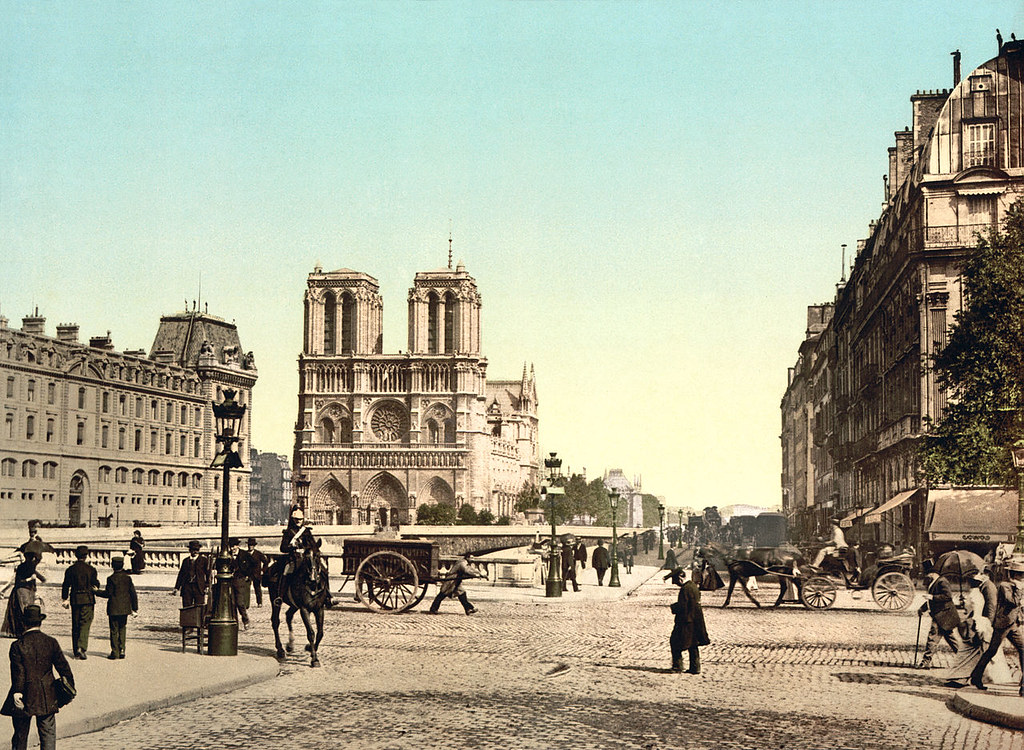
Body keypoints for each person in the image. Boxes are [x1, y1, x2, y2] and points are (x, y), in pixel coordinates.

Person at [0, 604, 73, 750]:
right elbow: (64, 668)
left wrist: (17, 692)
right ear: (40, 622)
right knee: (48, 734)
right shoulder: (51, 642)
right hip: (47, 695)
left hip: (24, 694)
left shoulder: (18, 645)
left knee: (20, 735)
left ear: (24, 623)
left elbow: (18, 672)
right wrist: (69, 689)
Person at [942, 569, 1012, 687]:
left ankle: (982, 677)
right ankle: (966, 677)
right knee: (981, 651)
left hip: (982, 624)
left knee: (984, 651)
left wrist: (987, 624)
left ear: (987, 575)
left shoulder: (988, 587)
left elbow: (991, 607)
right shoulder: (979, 589)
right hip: (978, 622)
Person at [970, 558, 1024, 694]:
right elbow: (1013, 602)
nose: (1022, 577)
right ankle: (976, 676)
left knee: (1023, 649)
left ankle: (1023, 685)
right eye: (1019, 574)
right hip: (1003, 624)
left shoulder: (1014, 586)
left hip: (1013, 624)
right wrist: (1018, 589)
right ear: (1012, 574)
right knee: (991, 651)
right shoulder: (1004, 586)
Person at [665, 567, 710, 674]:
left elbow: (683, 606)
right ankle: (695, 668)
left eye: (677, 581)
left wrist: (673, 607)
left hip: (686, 621)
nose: (677, 584)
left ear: (681, 577)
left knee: (674, 642)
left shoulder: (685, 589)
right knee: (693, 644)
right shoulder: (693, 586)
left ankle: (677, 666)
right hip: (695, 620)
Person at [94, 556, 137, 659]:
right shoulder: (127, 578)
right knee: (122, 628)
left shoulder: (111, 579)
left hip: (113, 608)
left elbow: (108, 593)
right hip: (125, 608)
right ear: (122, 565)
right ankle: (122, 650)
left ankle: (115, 651)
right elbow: (133, 593)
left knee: (114, 630)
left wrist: (96, 592)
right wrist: (135, 608)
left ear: (112, 566)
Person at [60, 546, 98, 660]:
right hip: (87, 598)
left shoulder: (70, 569)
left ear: (76, 555)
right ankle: (81, 648)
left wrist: (64, 599)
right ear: (86, 556)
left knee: (75, 624)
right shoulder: (91, 569)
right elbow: (95, 584)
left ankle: (76, 649)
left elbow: (65, 585)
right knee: (85, 623)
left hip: (75, 599)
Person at [918, 572, 963, 669]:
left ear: (933, 574)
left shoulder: (942, 582)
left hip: (944, 615)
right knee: (950, 638)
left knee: (933, 637)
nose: (927, 577)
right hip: (941, 615)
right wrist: (922, 608)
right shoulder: (935, 582)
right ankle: (964, 658)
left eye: (928, 575)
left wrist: (932, 597)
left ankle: (925, 662)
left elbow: (948, 596)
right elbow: (932, 602)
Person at [1, 553, 45, 639]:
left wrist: (35, 591)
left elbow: (35, 581)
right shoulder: (22, 567)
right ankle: (23, 631)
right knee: (24, 611)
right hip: (22, 590)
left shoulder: (31, 567)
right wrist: (30, 579)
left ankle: (24, 630)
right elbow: (19, 582)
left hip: (29, 591)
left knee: (26, 610)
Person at [172, 541, 210, 610]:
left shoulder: (204, 560)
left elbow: (208, 574)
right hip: (187, 588)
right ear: (190, 550)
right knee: (186, 607)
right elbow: (181, 575)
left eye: (197, 550)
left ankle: (199, 621)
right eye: (193, 549)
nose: (195, 552)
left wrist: (207, 586)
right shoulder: (185, 561)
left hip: (199, 588)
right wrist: (177, 587)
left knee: (199, 608)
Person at [229, 538, 255, 630]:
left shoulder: (245, 554)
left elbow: (253, 565)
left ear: (238, 546)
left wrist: (248, 575)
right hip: (230, 581)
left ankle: (245, 619)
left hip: (240, 580)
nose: (233, 548)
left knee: (240, 603)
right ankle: (235, 623)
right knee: (232, 603)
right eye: (231, 546)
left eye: (234, 546)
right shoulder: (228, 555)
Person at [246, 537, 269, 608]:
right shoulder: (245, 554)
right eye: (249, 545)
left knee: (257, 589)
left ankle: (259, 602)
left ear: (254, 546)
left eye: (252, 545)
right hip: (248, 574)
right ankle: (246, 603)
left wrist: (263, 570)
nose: (250, 546)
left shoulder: (258, 554)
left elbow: (266, 562)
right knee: (246, 589)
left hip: (256, 574)